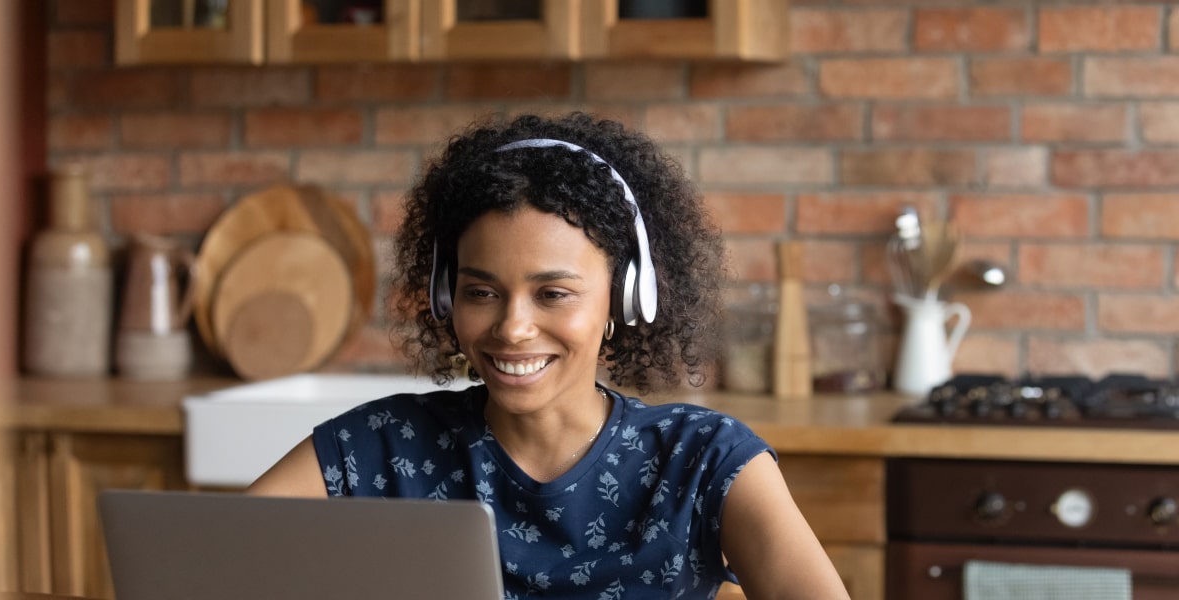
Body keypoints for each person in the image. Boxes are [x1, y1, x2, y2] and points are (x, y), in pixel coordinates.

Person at [248, 112, 850, 599]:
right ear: (444, 299)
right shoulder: (381, 445)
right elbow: (204, 562)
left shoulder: (704, 461)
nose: (512, 327)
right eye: (481, 292)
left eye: (553, 294)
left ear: (623, 299)